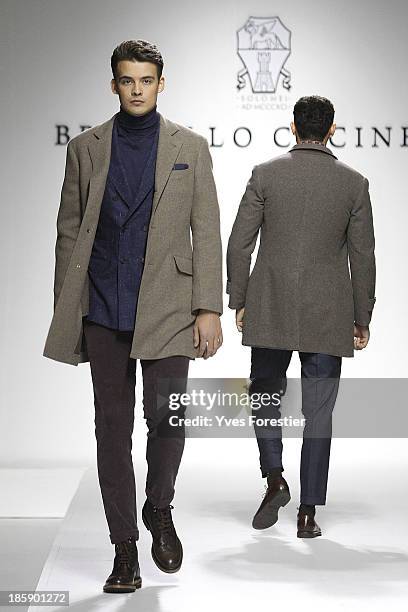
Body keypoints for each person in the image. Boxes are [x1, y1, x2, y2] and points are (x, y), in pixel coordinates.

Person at [43, 39, 223, 592]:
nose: (138, 89)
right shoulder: (86, 148)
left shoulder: (189, 145)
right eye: (128, 80)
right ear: (114, 84)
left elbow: (207, 230)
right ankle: (124, 549)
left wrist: (208, 308)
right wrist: (67, 310)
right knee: (111, 431)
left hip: (169, 305)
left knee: (167, 422)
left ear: (161, 84)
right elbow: (68, 233)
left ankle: (159, 510)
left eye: (147, 80)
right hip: (101, 305)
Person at [226, 95, 376, 538]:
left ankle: (274, 477)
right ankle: (308, 512)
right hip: (328, 310)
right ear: (332, 130)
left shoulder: (265, 175)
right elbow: (362, 256)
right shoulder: (354, 183)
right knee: (320, 412)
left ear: (292, 127)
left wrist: (240, 299)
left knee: (265, 395)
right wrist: (362, 314)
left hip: (270, 301)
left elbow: (239, 243)